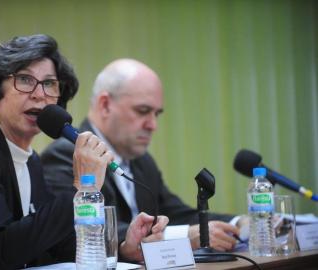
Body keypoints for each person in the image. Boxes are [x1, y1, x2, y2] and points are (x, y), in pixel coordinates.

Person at [0, 36, 168, 269]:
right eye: (24, 80)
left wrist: (124, 247)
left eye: (49, 83)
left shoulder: (30, 159)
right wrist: (81, 187)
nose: (39, 94)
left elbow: (54, 246)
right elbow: (0, 252)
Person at [42, 58, 245, 252]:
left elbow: (175, 213)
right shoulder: (66, 155)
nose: (152, 125)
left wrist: (240, 224)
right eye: (142, 111)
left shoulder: (141, 160)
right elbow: (77, 231)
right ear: (105, 105)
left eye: (156, 114)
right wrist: (181, 236)